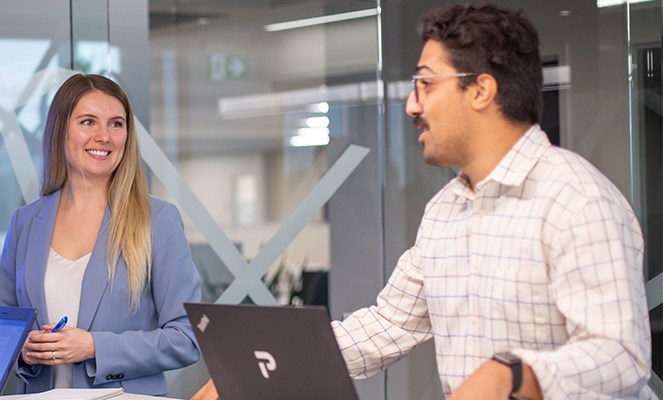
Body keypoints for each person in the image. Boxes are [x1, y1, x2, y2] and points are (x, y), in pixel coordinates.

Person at [191, 4, 656, 400]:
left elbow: (620, 354)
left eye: (426, 85)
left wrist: (514, 374)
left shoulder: (576, 199)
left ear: (480, 90)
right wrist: (254, 372)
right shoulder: (447, 209)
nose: (412, 106)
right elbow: (387, 324)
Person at [0, 74, 201, 396]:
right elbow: (7, 333)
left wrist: (94, 346)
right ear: (59, 130)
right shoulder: (24, 222)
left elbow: (188, 336)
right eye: (88, 122)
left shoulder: (157, 220)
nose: (104, 136)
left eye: (116, 124)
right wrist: (26, 350)